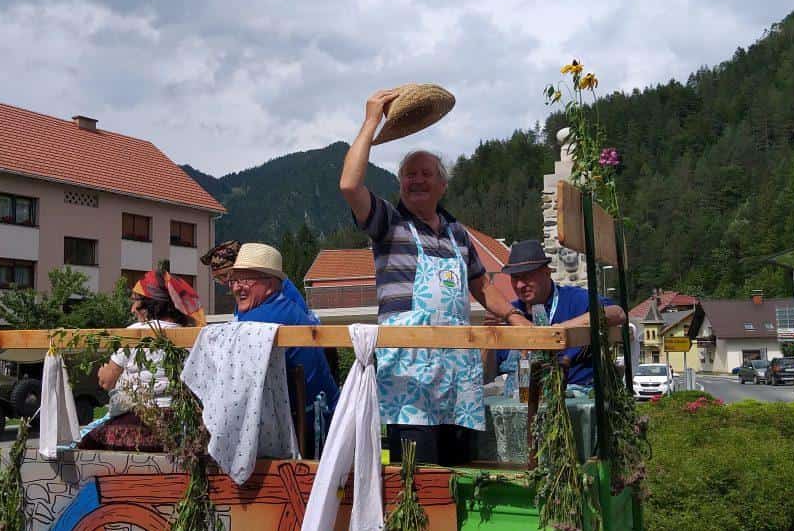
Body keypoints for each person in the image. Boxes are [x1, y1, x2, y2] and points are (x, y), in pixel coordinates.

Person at [340, 89, 530, 431]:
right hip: (408, 377)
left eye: (426, 174)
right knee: (417, 462)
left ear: (443, 185)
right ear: (400, 184)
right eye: (409, 174)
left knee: (460, 460)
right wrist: (371, 122)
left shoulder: (458, 234)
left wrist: (515, 318)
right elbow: (350, 186)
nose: (417, 180)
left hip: (458, 374)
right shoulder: (389, 223)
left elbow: (482, 287)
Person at [85, 267, 205, 450]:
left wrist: (103, 371)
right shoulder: (190, 335)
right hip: (179, 424)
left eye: (136, 301)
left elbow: (107, 381)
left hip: (139, 421)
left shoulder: (134, 333)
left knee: (86, 443)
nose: (133, 309)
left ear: (151, 304)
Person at [497, 239, 626, 388]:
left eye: (527, 276)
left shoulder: (574, 299)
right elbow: (487, 373)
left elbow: (618, 313)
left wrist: (561, 328)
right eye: (515, 278)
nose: (520, 285)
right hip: (521, 395)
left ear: (547, 272)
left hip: (577, 394)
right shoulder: (510, 313)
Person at [229, 243, 340, 416]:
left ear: (270, 284)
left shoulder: (265, 317)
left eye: (246, 280)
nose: (237, 287)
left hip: (310, 425)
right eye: (235, 280)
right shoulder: (282, 305)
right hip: (320, 417)